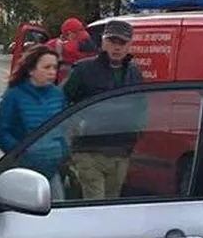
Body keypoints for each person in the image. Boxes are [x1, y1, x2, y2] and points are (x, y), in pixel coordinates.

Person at [60, 19, 145, 200]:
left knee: (111, 205)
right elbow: (61, 100)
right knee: (95, 203)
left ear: (130, 45)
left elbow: (141, 106)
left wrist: (137, 132)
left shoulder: (135, 73)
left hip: (121, 151)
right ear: (103, 42)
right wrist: (72, 129)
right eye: (112, 41)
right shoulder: (83, 70)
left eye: (122, 43)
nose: (117, 47)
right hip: (89, 151)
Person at [0, 45, 70, 200]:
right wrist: (22, 153)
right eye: (47, 67)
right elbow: (0, 134)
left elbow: (63, 127)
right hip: (25, 172)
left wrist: (64, 151)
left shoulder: (58, 95)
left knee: (57, 212)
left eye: (55, 67)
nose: (52, 72)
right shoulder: (14, 96)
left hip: (52, 170)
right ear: (31, 70)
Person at [45, 17, 97, 85]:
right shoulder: (89, 42)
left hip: (65, 86)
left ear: (69, 33)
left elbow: (40, 52)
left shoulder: (58, 45)